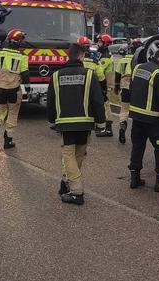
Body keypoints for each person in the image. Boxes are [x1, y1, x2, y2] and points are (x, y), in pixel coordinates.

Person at [47, 41, 106, 205]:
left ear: (68, 55)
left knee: (68, 156)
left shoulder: (56, 76)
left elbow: (50, 101)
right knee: (78, 155)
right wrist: (101, 123)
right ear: (81, 56)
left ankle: (77, 192)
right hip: (85, 123)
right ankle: (67, 182)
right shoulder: (89, 75)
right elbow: (97, 101)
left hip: (65, 123)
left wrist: (52, 119)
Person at [127, 47, 159, 192]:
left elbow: (132, 88)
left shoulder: (138, 68)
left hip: (136, 117)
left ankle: (134, 178)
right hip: (154, 121)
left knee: (137, 147)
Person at [0, 29, 30, 149]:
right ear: (18, 43)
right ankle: (8, 141)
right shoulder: (22, 57)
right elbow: (25, 75)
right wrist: (28, 90)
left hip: (0, 89)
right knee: (12, 114)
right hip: (14, 90)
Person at [78, 36, 112, 137]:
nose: (98, 43)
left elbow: (107, 73)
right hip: (94, 85)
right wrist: (104, 89)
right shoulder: (95, 59)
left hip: (81, 86)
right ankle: (104, 126)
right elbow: (101, 76)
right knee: (101, 105)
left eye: (100, 42)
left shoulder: (79, 59)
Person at [115, 38, 142, 144]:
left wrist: (117, 86)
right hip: (137, 89)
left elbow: (117, 74)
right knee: (136, 111)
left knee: (124, 109)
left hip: (125, 87)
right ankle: (135, 134)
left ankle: (122, 123)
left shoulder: (123, 60)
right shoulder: (141, 62)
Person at [97, 33, 115, 135]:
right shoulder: (102, 53)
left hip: (106, 84)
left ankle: (108, 128)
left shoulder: (106, 56)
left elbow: (100, 70)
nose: (98, 43)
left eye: (100, 42)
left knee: (105, 104)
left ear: (105, 44)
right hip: (103, 82)